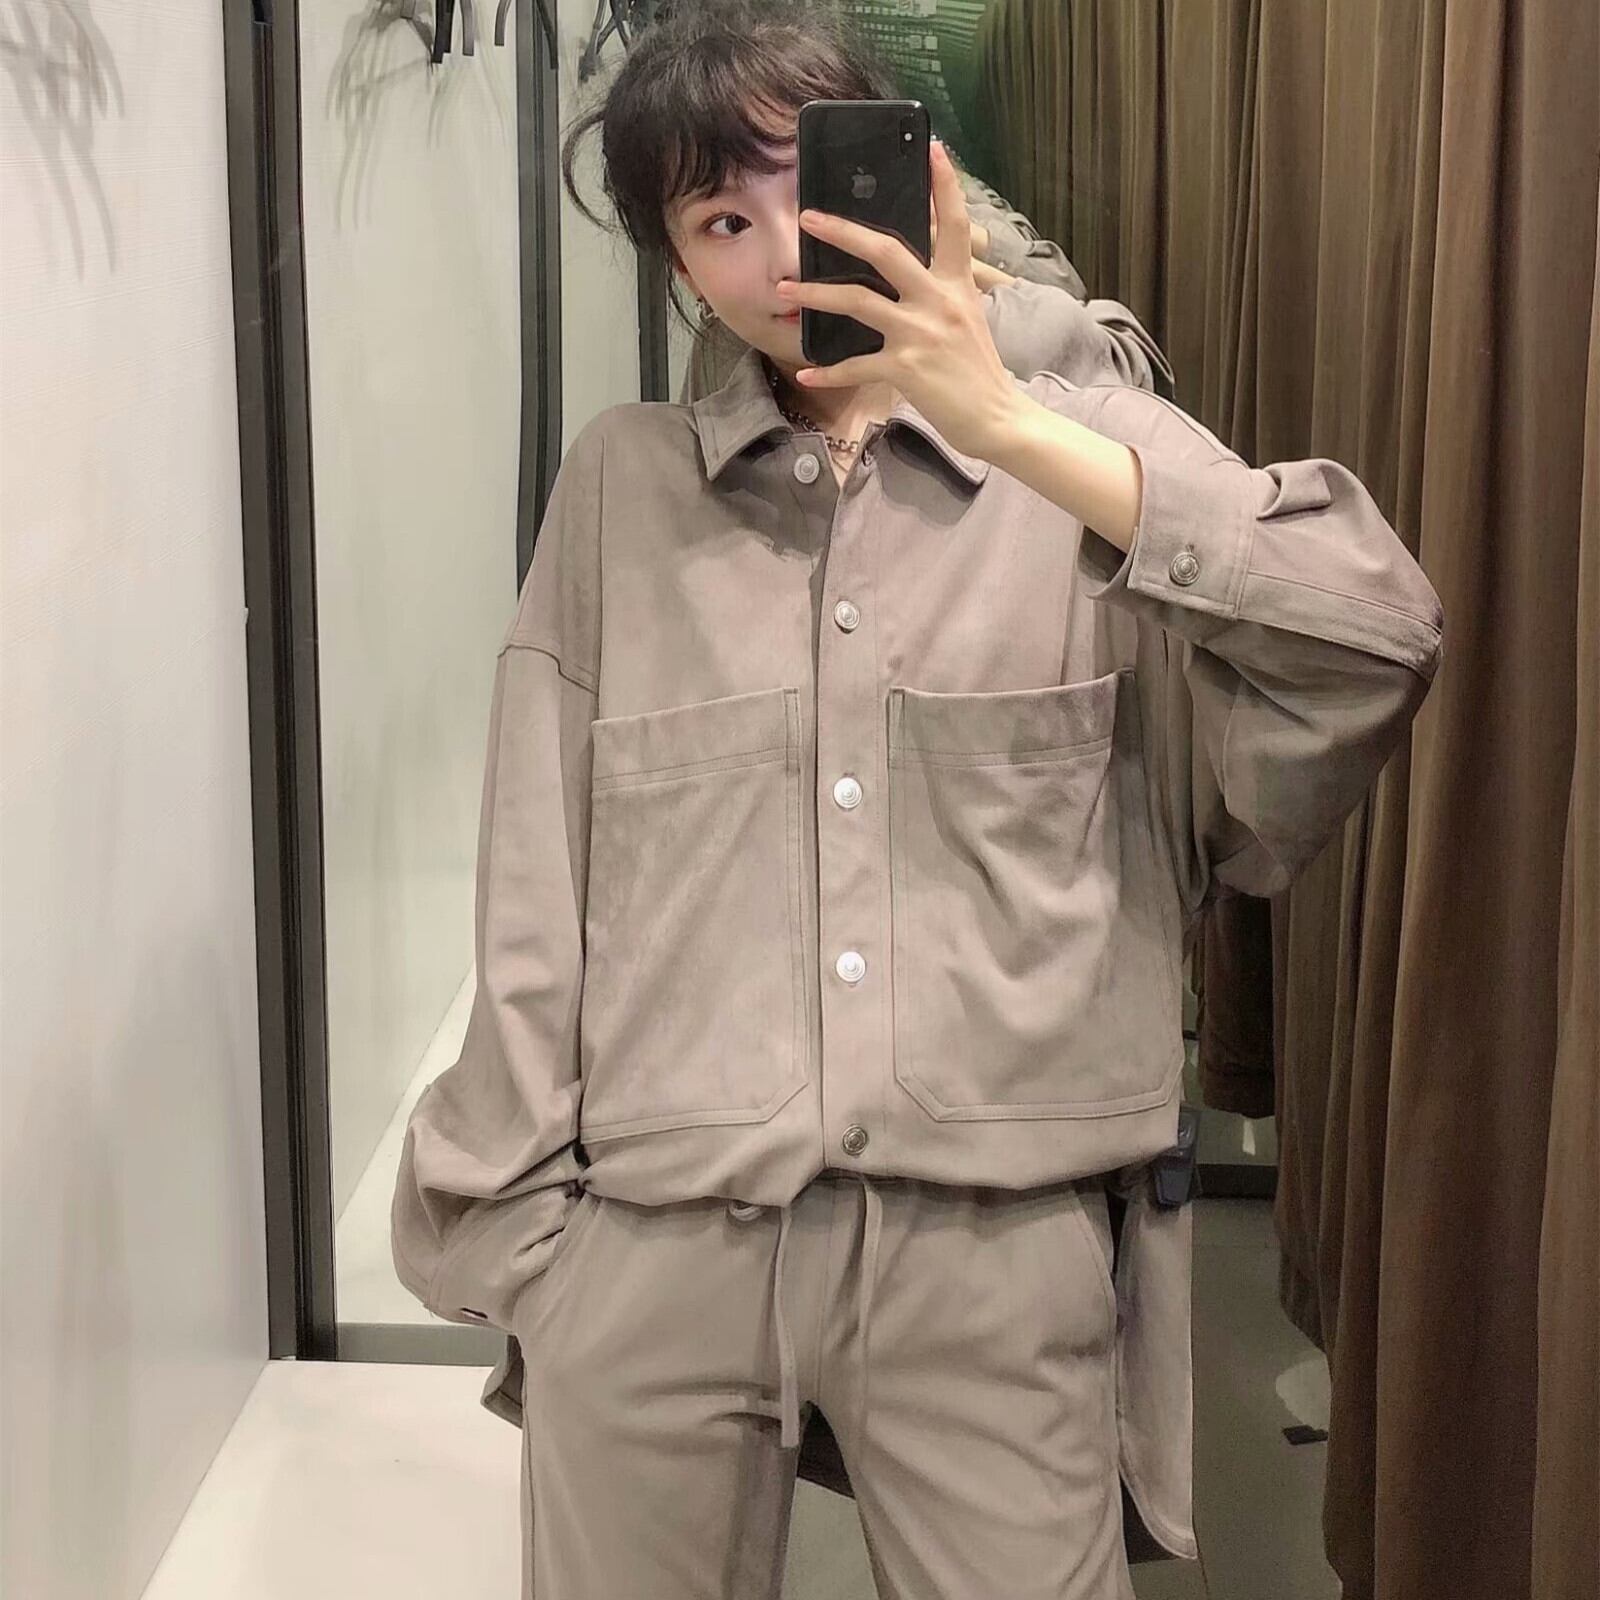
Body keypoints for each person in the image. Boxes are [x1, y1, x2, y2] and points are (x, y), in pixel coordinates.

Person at [389, 3, 1446, 1596]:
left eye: (809, 183)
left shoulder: (1087, 451)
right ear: (678, 265)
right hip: (656, 1244)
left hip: (996, 1250)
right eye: (719, 221)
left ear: (919, 181)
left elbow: (1375, 638)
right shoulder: (623, 485)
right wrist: (533, 1254)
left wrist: (1004, 417)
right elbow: (540, 868)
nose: (781, 254)